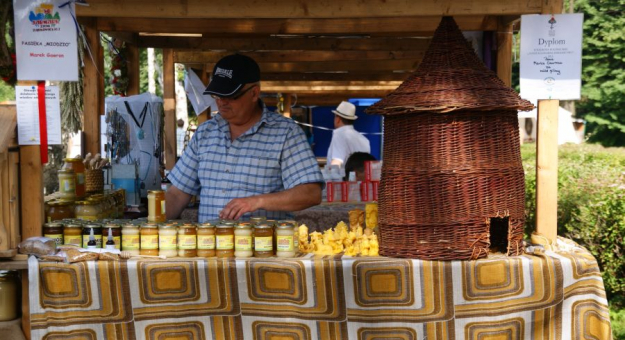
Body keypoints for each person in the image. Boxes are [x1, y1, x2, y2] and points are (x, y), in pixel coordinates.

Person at [165, 54, 323, 222]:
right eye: (217, 95)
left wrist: (258, 201)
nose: (221, 102)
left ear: (254, 93)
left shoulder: (286, 133)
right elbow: (177, 194)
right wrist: (147, 226)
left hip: (263, 246)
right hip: (210, 246)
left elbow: (311, 193)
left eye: (231, 96)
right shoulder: (205, 133)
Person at [326, 101, 371, 167]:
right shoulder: (365, 140)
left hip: (344, 177)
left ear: (338, 119)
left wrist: (330, 175)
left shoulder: (339, 134)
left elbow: (336, 162)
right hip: (361, 176)